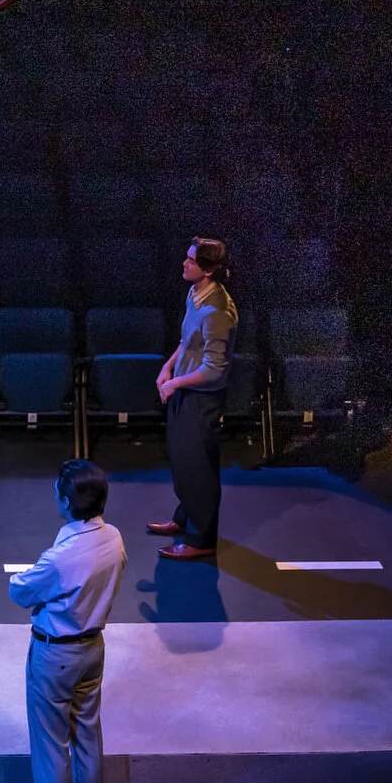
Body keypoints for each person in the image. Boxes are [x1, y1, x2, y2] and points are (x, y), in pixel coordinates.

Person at [0, 459, 127, 783]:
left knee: (52, 745)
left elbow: (20, 591)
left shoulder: (61, 557)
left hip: (56, 656)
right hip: (93, 650)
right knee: (87, 735)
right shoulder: (115, 538)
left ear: (68, 502)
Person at [146, 237, 237, 561]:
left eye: (191, 261)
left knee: (198, 469)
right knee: (183, 462)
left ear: (208, 270)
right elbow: (187, 341)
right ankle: (184, 518)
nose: (184, 264)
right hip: (185, 390)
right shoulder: (195, 293)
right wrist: (168, 367)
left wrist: (177, 383)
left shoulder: (217, 311)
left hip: (202, 399)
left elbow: (214, 369)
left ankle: (201, 538)